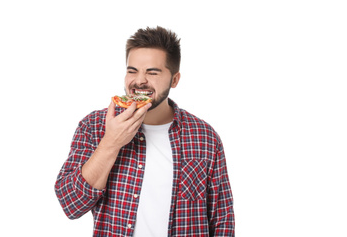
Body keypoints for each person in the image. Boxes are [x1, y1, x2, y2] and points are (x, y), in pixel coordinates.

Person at [55, 26, 235, 236]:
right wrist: (110, 143)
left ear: (174, 80)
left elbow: (222, 218)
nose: (139, 80)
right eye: (132, 71)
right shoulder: (93, 126)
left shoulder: (205, 137)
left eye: (152, 72)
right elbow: (71, 206)